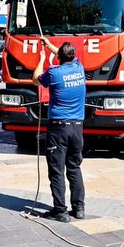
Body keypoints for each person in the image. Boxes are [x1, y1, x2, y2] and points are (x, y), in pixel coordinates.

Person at [33, 37, 86, 222]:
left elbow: (35, 80)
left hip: (58, 128)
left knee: (57, 170)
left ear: (59, 58)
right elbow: (63, 55)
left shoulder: (54, 73)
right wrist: (49, 45)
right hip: (77, 128)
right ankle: (79, 208)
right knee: (74, 168)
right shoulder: (79, 68)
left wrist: (41, 58)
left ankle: (60, 211)